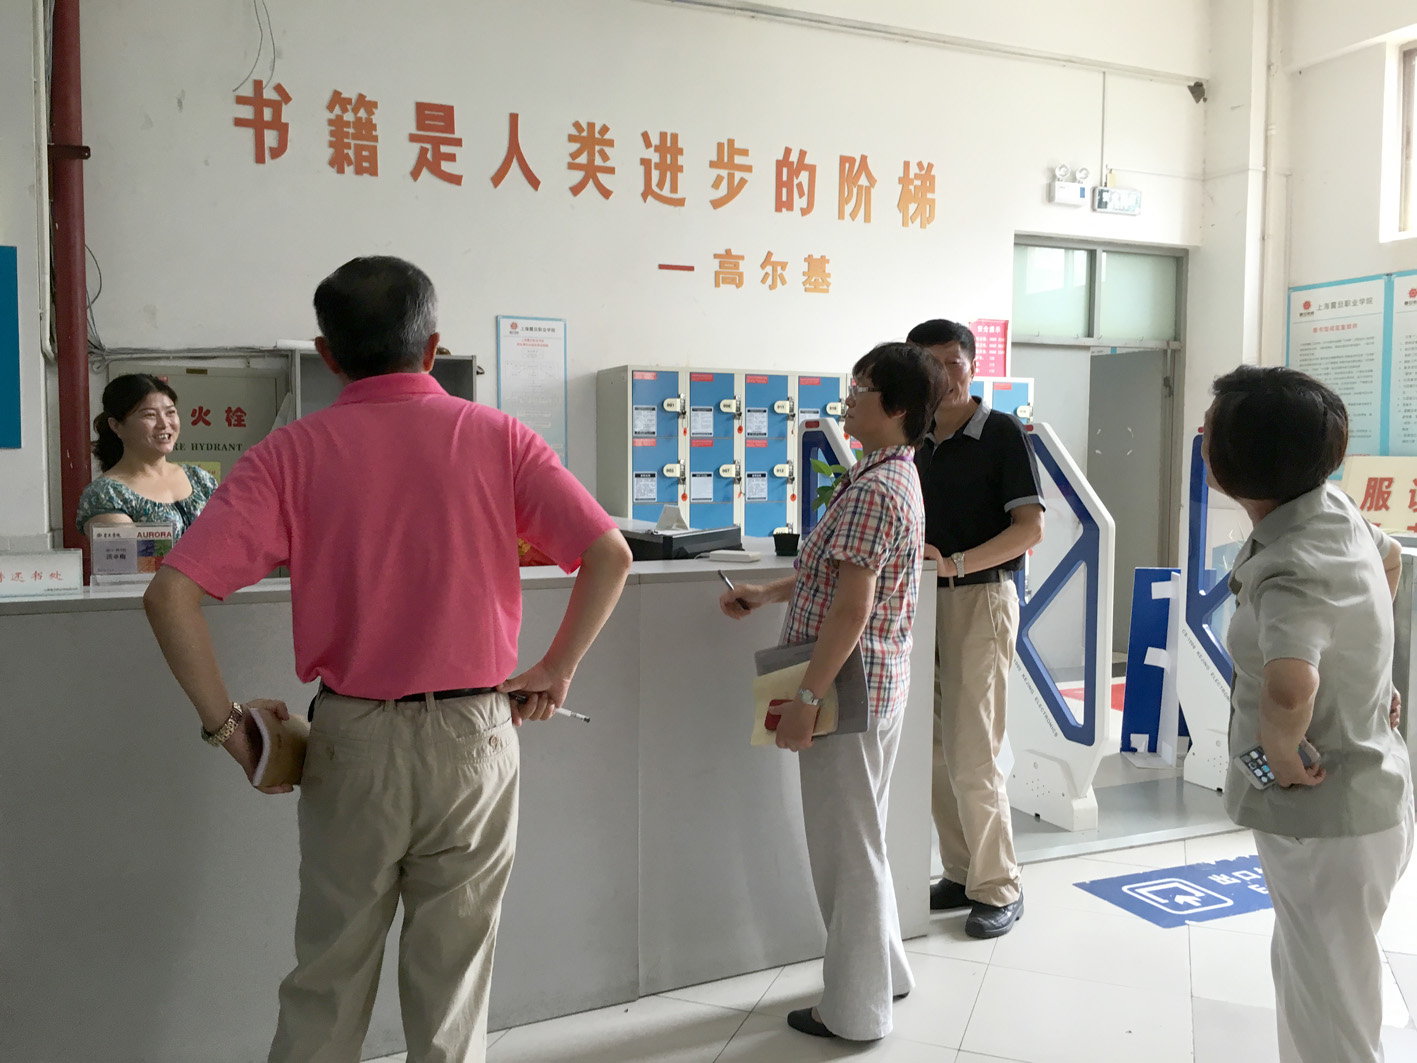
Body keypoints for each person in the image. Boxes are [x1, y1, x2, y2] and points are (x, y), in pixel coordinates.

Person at [142, 256, 633, 1063]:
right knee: (453, 986)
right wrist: (556, 666)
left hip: (353, 744)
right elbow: (609, 553)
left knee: (328, 975)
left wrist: (227, 728)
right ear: (433, 346)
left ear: (327, 354)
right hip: (476, 737)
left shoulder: (288, 454)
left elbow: (169, 595)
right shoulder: (500, 438)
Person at [719, 342, 944, 1041]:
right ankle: (886, 972)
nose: (848, 400)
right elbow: (833, 571)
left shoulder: (876, 488)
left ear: (896, 407)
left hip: (845, 691)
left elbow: (851, 609)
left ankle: (854, 1009)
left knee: (846, 853)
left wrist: (807, 701)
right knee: (861, 838)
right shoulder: (885, 475)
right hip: (873, 683)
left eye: (862, 388)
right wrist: (767, 592)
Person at [1202, 365, 1413, 1063]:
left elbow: (1291, 687)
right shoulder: (1332, 509)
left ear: (1241, 460)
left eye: (1211, 429)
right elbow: (1389, 562)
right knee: (1311, 977)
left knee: (1333, 1012)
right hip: (1362, 799)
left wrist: (1280, 756)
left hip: (1324, 817)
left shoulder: (1291, 564)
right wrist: (1366, 667)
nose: (1202, 435)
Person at [907, 318, 1043, 939]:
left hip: (980, 598)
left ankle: (999, 885)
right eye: (929, 365)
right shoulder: (916, 439)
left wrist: (958, 563)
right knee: (934, 749)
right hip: (922, 602)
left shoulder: (1002, 433)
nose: (943, 376)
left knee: (973, 751)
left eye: (952, 363)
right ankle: (962, 873)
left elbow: (1029, 529)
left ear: (972, 364)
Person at [76, 373, 218, 540]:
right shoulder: (106, 495)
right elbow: (127, 555)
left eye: (170, 412)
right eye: (149, 415)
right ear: (116, 426)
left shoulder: (200, 480)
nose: (164, 424)